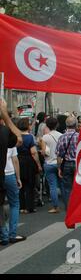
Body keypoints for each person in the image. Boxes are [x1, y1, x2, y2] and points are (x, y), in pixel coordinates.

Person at [0, 100, 21, 236]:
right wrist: (6, 115)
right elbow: (19, 139)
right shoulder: (4, 132)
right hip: (6, 175)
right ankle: (8, 234)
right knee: (12, 204)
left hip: (4, 176)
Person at [1, 145, 26, 245]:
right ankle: (13, 234)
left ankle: (3, 235)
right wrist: (18, 178)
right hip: (9, 174)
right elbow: (15, 160)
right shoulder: (10, 139)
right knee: (14, 204)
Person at [17, 118, 42, 214]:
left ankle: (21, 207)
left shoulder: (16, 137)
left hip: (18, 161)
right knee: (30, 185)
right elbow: (34, 152)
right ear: (27, 126)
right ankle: (29, 207)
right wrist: (38, 164)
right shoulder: (30, 137)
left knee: (20, 185)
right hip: (28, 162)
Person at [40, 117, 62, 213]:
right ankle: (68, 205)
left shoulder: (45, 137)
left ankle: (55, 207)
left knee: (52, 186)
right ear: (57, 125)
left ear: (47, 125)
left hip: (49, 163)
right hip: (60, 163)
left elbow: (44, 152)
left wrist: (42, 152)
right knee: (63, 186)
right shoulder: (61, 135)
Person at [56, 117, 79, 209]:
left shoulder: (62, 137)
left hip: (67, 164)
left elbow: (59, 155)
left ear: (66, 125)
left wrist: (59, 168)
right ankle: (77, 206)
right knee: (77, 186)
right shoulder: (79, 136)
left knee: (66, 188)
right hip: (77, 164)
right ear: (76, 125)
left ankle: (69, 208)